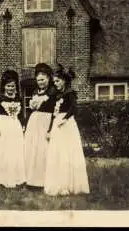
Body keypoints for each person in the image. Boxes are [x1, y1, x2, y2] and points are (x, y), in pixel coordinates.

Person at [44, 65, 90, 196]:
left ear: (64, 80)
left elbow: (74, 108)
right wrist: (49, 130)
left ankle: (71, 184)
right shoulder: (57, 96)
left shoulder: (70, 93)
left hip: (67, 125)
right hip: (57, 124)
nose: (55, 84)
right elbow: (54, 114)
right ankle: (60, 185)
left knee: (68, 152)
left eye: (57, 81)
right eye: (54, 82)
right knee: (58, 153)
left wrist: (65, 119)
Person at [0, 70, 26, 188]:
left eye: (12, 86)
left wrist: (23, 125)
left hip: (16, 127)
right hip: (3, 126)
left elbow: (22, 114)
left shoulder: (18, 97)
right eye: (8, 86)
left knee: (15, 152)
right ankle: (0, 179)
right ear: (4, 86)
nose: (10, 88)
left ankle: (15, 178)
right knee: (1, 152)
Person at [24, 63, 56, 189]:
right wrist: (25, 124)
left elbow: (54, 111)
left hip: (45, 121)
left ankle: (43, 180)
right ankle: (31, 179)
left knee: (43, 150)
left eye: (43, 79)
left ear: (48, 79)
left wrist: (50, 128)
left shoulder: (52, 92)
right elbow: (30, 110)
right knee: (33, 150)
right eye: (38, 80)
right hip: (34, 122)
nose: (40, 82)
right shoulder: (34, 91)